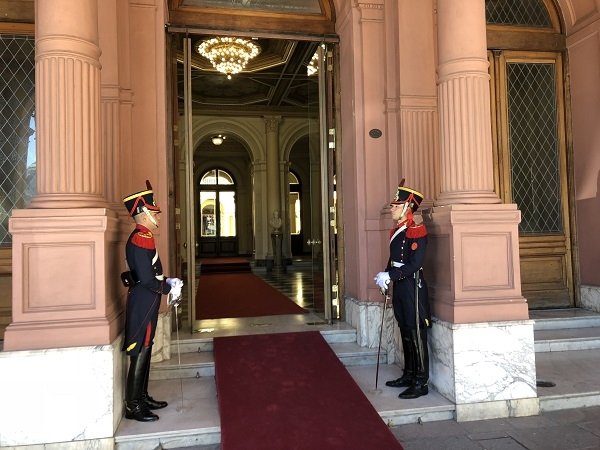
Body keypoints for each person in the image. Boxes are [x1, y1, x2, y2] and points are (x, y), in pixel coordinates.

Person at [121, 181, 184, 422]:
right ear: (142, 213)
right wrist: (167, 287)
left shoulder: (144, 236)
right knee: (140, 350)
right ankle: (133, 406)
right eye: (153, 211)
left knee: (146, 348)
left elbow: (151, 274)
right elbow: (148, 279)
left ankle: (142, 395)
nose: (156, 214)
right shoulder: (141, 238)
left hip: (148, 299)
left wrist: (169, 281)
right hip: (144, 300)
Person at [374, 180, 431, 399]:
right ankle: (409, 374)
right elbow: (395, 259)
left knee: (416, 333)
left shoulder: (416, 230)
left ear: (408, 207)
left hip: (412, 286)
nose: (392, 208)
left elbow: (415, 263)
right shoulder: (398, 230)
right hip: (400, 285)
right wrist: (385, 275)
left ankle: (421, 381)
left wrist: (392, 275)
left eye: (396, 205)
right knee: (405, 331)